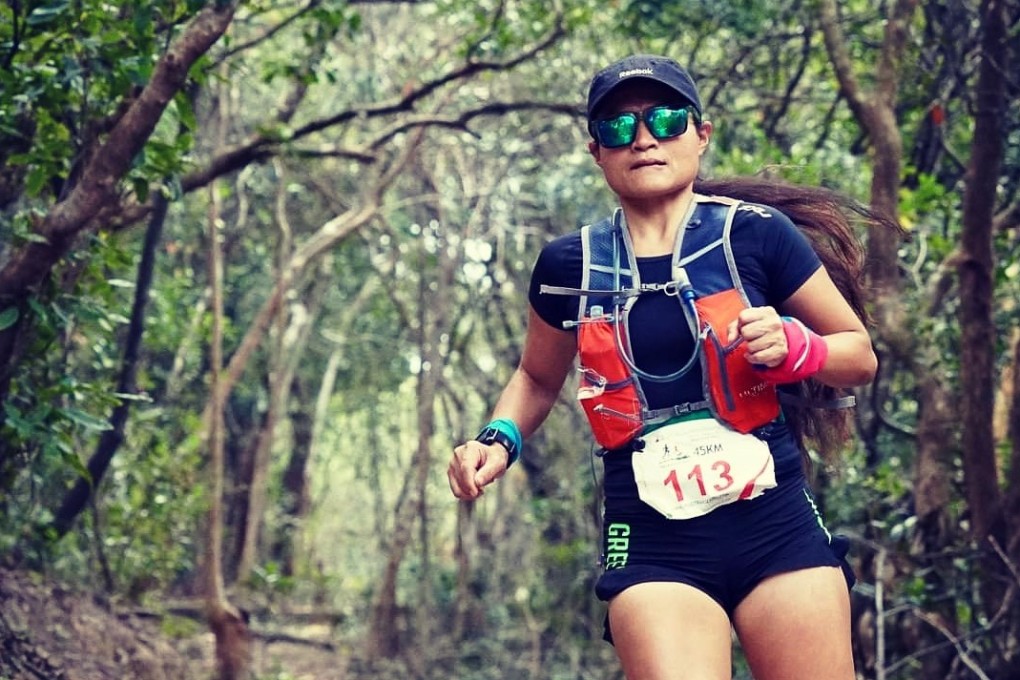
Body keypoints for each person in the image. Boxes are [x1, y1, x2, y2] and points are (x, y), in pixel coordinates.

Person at [448, 54, 882, 680]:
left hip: (776, 524)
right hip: (652, 539)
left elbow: (858, 354)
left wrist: (796, 347)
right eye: (619, 128)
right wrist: (499, 439)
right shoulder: (570, 267)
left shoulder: (758, 236)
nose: (645, 138)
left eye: (666, 119)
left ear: (701, 134)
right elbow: (537, 379)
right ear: (597, 151)